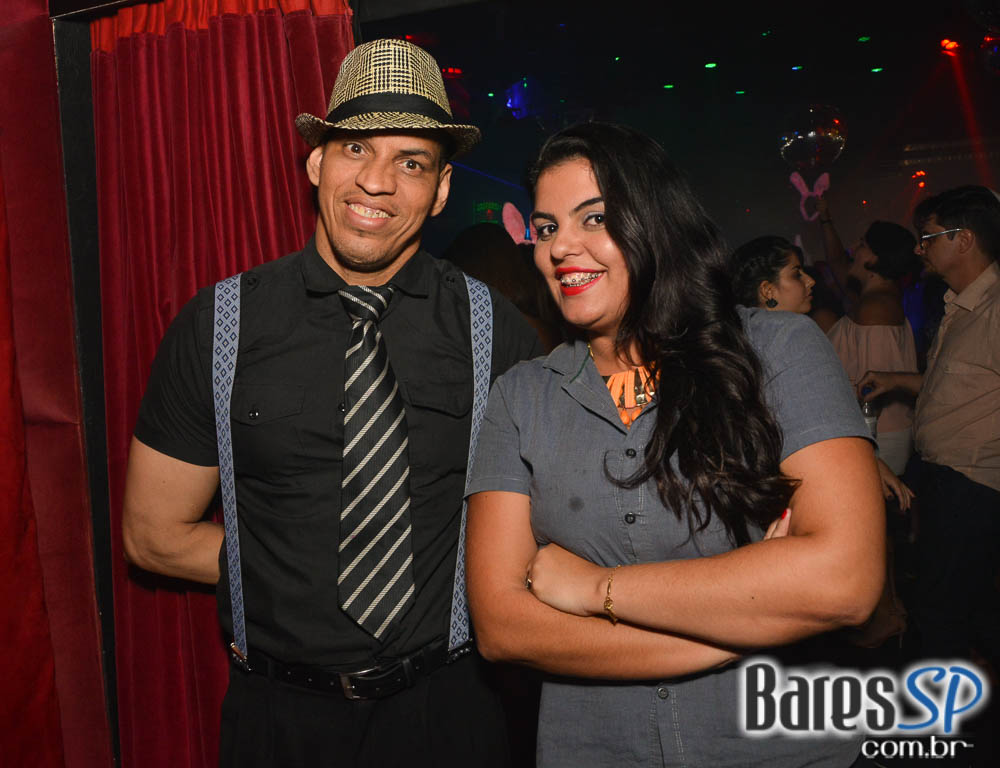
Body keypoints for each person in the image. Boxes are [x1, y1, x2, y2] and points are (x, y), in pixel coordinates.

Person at [121, 39, 543, 768]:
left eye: (411, 162)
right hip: (278, 721)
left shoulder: (498, 332)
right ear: (316, 162)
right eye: (355, 149)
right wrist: (296, 563)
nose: (376, 182)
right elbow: (153, 536)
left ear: (441, 189)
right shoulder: (219, 325)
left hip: (448, 713)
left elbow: (544, 532)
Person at [466, 122, 884, 767]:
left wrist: (595, 589)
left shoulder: (776, 350)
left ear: (657, 222)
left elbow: (844, 580)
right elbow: (502, 627)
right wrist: (740, 629)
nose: (560, 247)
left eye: (594, 218)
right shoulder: (522, 397)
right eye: (546, 228)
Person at [858, 185, 1000, 671]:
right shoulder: (959, 303)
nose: (920, 250)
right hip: (945, 477)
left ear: (964, 239)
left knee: (940, 609)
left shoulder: (994, 308)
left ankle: (942, 710)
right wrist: (897, 380)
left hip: (975, 483)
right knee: (973, 603)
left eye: (929, 237)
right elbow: (960, 383)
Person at [730, 235, 914, 510]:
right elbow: (819, 421)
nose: (810, 280)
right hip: (804, 476)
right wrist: (868, 460)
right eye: (796, 274)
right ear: (768, 290)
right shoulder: (792, 334)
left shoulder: (738, 336)